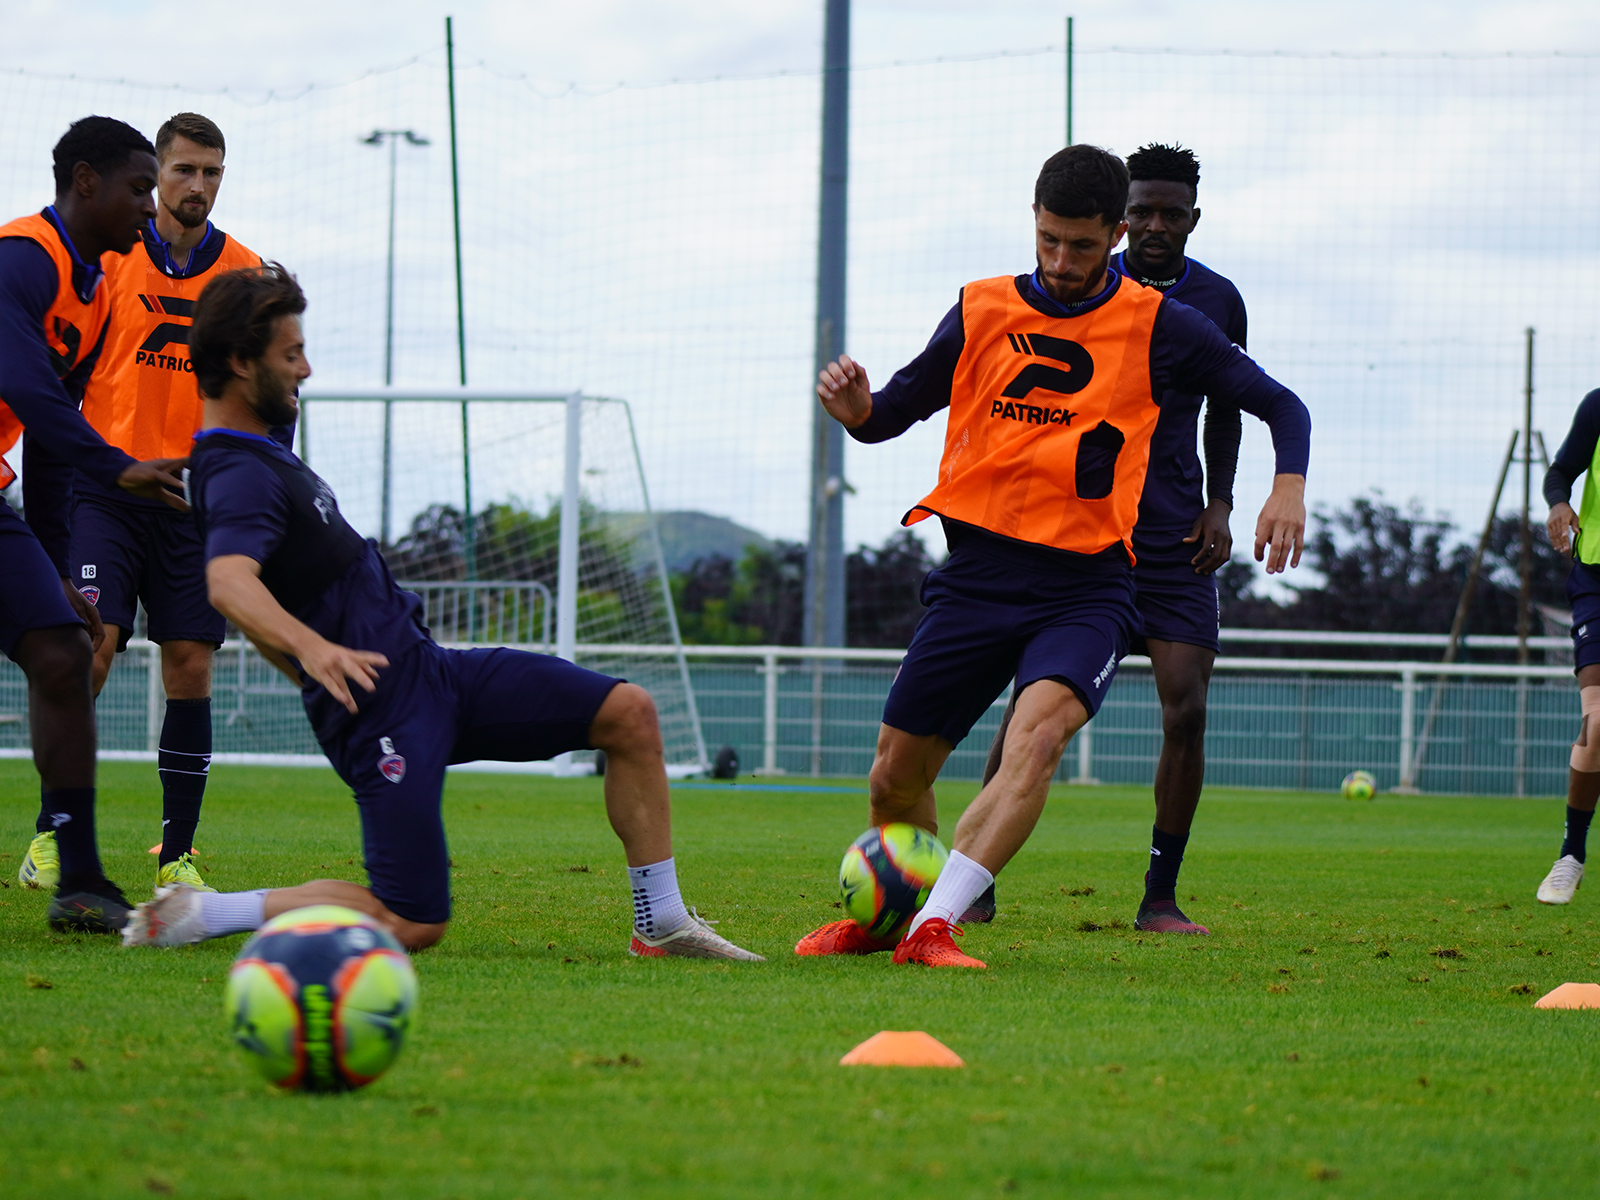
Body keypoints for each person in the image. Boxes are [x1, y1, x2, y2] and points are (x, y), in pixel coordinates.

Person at [122, 264, 762, 960]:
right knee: (413, 922)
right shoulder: (240, 470)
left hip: (434, 676)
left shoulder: (254, 454)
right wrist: (314, 652)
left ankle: (661, 923)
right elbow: (227, 583)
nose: (307, 366)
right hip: (382, 715)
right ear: (242, 365)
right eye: (291, 353)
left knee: (628, 712)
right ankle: (204, 912)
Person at [794, 144, 1310, 968]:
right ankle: (891, 918)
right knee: (895, 774)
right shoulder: (980, 308)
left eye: (1081, 244)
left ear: (1115, 234)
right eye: (1048, 242)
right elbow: (894, 409)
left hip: (1088, 586)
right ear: (1033, 224)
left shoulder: (1162, 324)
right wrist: (857, 413)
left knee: (1035, 742)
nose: (1063, 263)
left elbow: (1281, 403)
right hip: (975, 578)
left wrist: (1285, 486)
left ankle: (938, 924)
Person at [966, 143, 1249, 935]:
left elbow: (1230, 406)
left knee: (1186, 707)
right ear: (1118, 220)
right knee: (1034, 710)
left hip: (1174, 534)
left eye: (1172, 212)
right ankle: (975, 881)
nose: (1155, 225)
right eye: (1142, 211)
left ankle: (1159, 897)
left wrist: (1221, 502)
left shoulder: (1218, 302)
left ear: (1194, 217)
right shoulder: (1083, 288)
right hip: (1087, 531)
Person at [26, 113, 263, 896]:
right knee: (90, 649)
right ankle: (53, 836)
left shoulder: (245, 274)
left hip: (195, 503)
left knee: (190, 665)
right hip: (109, 490)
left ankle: (179, 856)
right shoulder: (109, 258)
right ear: (155, 175)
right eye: (185, 170)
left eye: (213, 173)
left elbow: (261, 392)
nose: (198, 186)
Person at [2, 116, 192, 930]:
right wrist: (117, 465)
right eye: (138, 187)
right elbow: (26, 386)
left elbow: (47, 440)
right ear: (85, 181)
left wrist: (50, 569)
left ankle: (78, 879)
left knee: (61, 650)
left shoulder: (89, 289)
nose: (149, 208)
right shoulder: (22, 257)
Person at [1536, 388, 1600, 903]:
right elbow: (1559, 471)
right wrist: (1560, 503)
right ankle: (1571, 855)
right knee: (1597, 721)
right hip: (1596, 581)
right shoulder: (1599, 404)